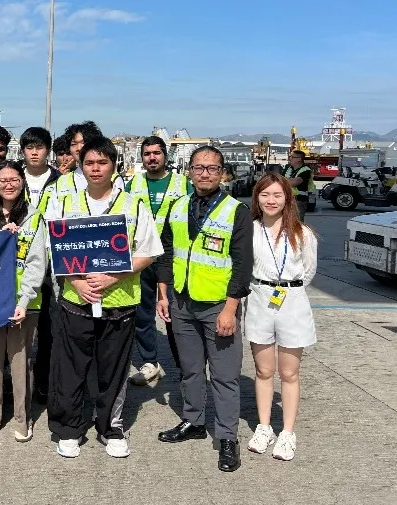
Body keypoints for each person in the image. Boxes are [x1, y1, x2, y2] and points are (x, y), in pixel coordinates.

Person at [46, 137, 162, 459]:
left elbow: (148, 252)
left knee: (114, 370)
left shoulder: (134, 204)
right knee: (71, 368)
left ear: (115, 166)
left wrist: (114, 276)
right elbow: (54, 250)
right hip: (76, 300)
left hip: (119, 302)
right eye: (89, 163)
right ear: (80, 167)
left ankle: (110, 427)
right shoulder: (65, 203)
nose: (95, 169)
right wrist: (76, 281)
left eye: (102, 163)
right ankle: (69, 429)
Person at [155, 145, 254, 473]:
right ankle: (193, 421)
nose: (205, 173)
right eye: (199, 168)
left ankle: (227, 437)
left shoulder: (236, 211)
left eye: (212, 168)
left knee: (225, 377)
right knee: (191, 370)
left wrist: (230, 309)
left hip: (217, 306)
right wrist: (163, 293)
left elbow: (242, 264)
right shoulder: (179, 207)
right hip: (182, 302)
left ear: (222, 172)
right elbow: (168, 252)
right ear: (190, 171)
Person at [244, 172, 317, 461]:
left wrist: (288, 288)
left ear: (287, 197)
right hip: (259, 298)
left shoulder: (302, 233)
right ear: (257, 198)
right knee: (263, 371)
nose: (271, 200)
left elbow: (308, 272)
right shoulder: (248, 230)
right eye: (265, 195)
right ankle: (264, 427)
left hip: (292, 301)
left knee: (289, 372)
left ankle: (287, 432)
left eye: (277, 194)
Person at [0, 161, 46, 442]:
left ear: (22, 182)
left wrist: (25, 300)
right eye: (2, 179)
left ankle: (22, 418)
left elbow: (37, 263)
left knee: (21, 365)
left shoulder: (34, 217)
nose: (8, 184)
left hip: (24, 305)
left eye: (14, 179)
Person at [125, 136, 192, 386]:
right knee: (142, 314)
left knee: (175, 313)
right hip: (142, 255)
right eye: (147, 154)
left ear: (165, 156)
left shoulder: (182, 183)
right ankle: (150, 363)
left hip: (171, 255)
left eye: (156, 153)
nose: (152, 158)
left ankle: (186, 366)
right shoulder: (134, 184)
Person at [16, 127, 60, 403]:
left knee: (50, 326)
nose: (34, 152)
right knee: (16, 323)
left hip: (53, 260)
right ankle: (14, 384)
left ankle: (44, 381)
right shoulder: (11, 177)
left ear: (48, 150)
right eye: (29, 147)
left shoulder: (63, 181)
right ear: (22, 151)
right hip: (18, 262)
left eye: (40, 147)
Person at [282, 150, 315, 221]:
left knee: (296, 223)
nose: (290, 158)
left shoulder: (306, 170)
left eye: (292, 157)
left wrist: (280, 180)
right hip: (286, 199)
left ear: (299, 159)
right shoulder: (288, 168)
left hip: (299, 201)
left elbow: (295, 182)